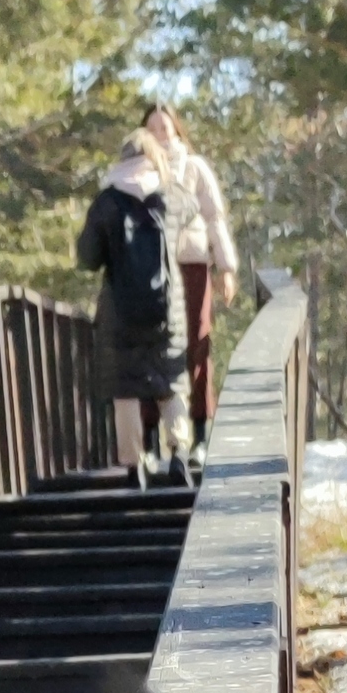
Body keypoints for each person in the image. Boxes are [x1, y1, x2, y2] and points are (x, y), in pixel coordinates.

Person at [75, 125, 189, 481]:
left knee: (125, 388)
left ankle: (133, 463)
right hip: (166, 310)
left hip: (119, 313)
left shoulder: (106, 202)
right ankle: (179, 453)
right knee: (170, 382)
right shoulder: (171, 195)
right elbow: (193, 212)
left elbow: (88, 259)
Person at [142, 104, 238, 457]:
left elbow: (215, 218)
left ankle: (201, 433)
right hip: (152, 268)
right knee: (150, 349)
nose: (160, 134)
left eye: (164, 127)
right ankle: (151, 440)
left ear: (176, 130)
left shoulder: (195, 168)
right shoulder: (138, 170)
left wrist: (226, 267)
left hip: (194, 264)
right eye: (152, 128)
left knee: (198, 343)